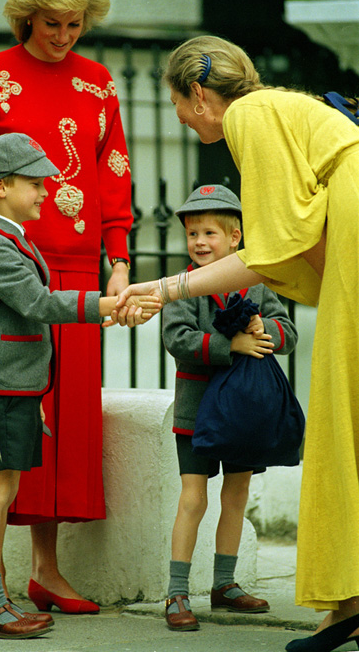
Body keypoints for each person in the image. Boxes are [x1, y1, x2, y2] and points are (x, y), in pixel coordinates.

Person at [116, 35, 359, 651]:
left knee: (342, 423)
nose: (176, 115)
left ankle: (348, 603)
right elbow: (285, 249)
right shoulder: (279, 107)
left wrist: (165, 288)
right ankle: (348, 603)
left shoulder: (249, 117)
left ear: (198, 94)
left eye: (176, 102)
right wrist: (170, 289)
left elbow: (268, 253)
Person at [0, 0, 133, 613]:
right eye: (52, 23)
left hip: (76, 266)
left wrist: (119, 257)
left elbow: (114, 169)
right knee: (14, 413)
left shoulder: (100, 82)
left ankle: (46, 571)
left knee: (61, 427)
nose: (64, 35)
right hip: (10, 270)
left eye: (76, 24)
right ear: (28, 16)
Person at [0, 132, 157, 639]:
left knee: (4, 490)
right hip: (0, 391)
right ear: (1, 186)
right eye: (35, 183)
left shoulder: (9, 239)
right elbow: (40, 304)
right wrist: (108, 306)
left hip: (15, 388)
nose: (47, 190)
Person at [162, 184, 298, 631]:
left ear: (236, 237)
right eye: (192, 234)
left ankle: (225, 584)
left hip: (244, 412)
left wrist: (262, 333)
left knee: (236, 495)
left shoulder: (256, 281)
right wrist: (229, 344)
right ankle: (177, 592)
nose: (199, 242)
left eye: (210, 234)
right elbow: (176, 339)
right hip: (196, 411)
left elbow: (288, 333)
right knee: (193, 498)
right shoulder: (181, 287)